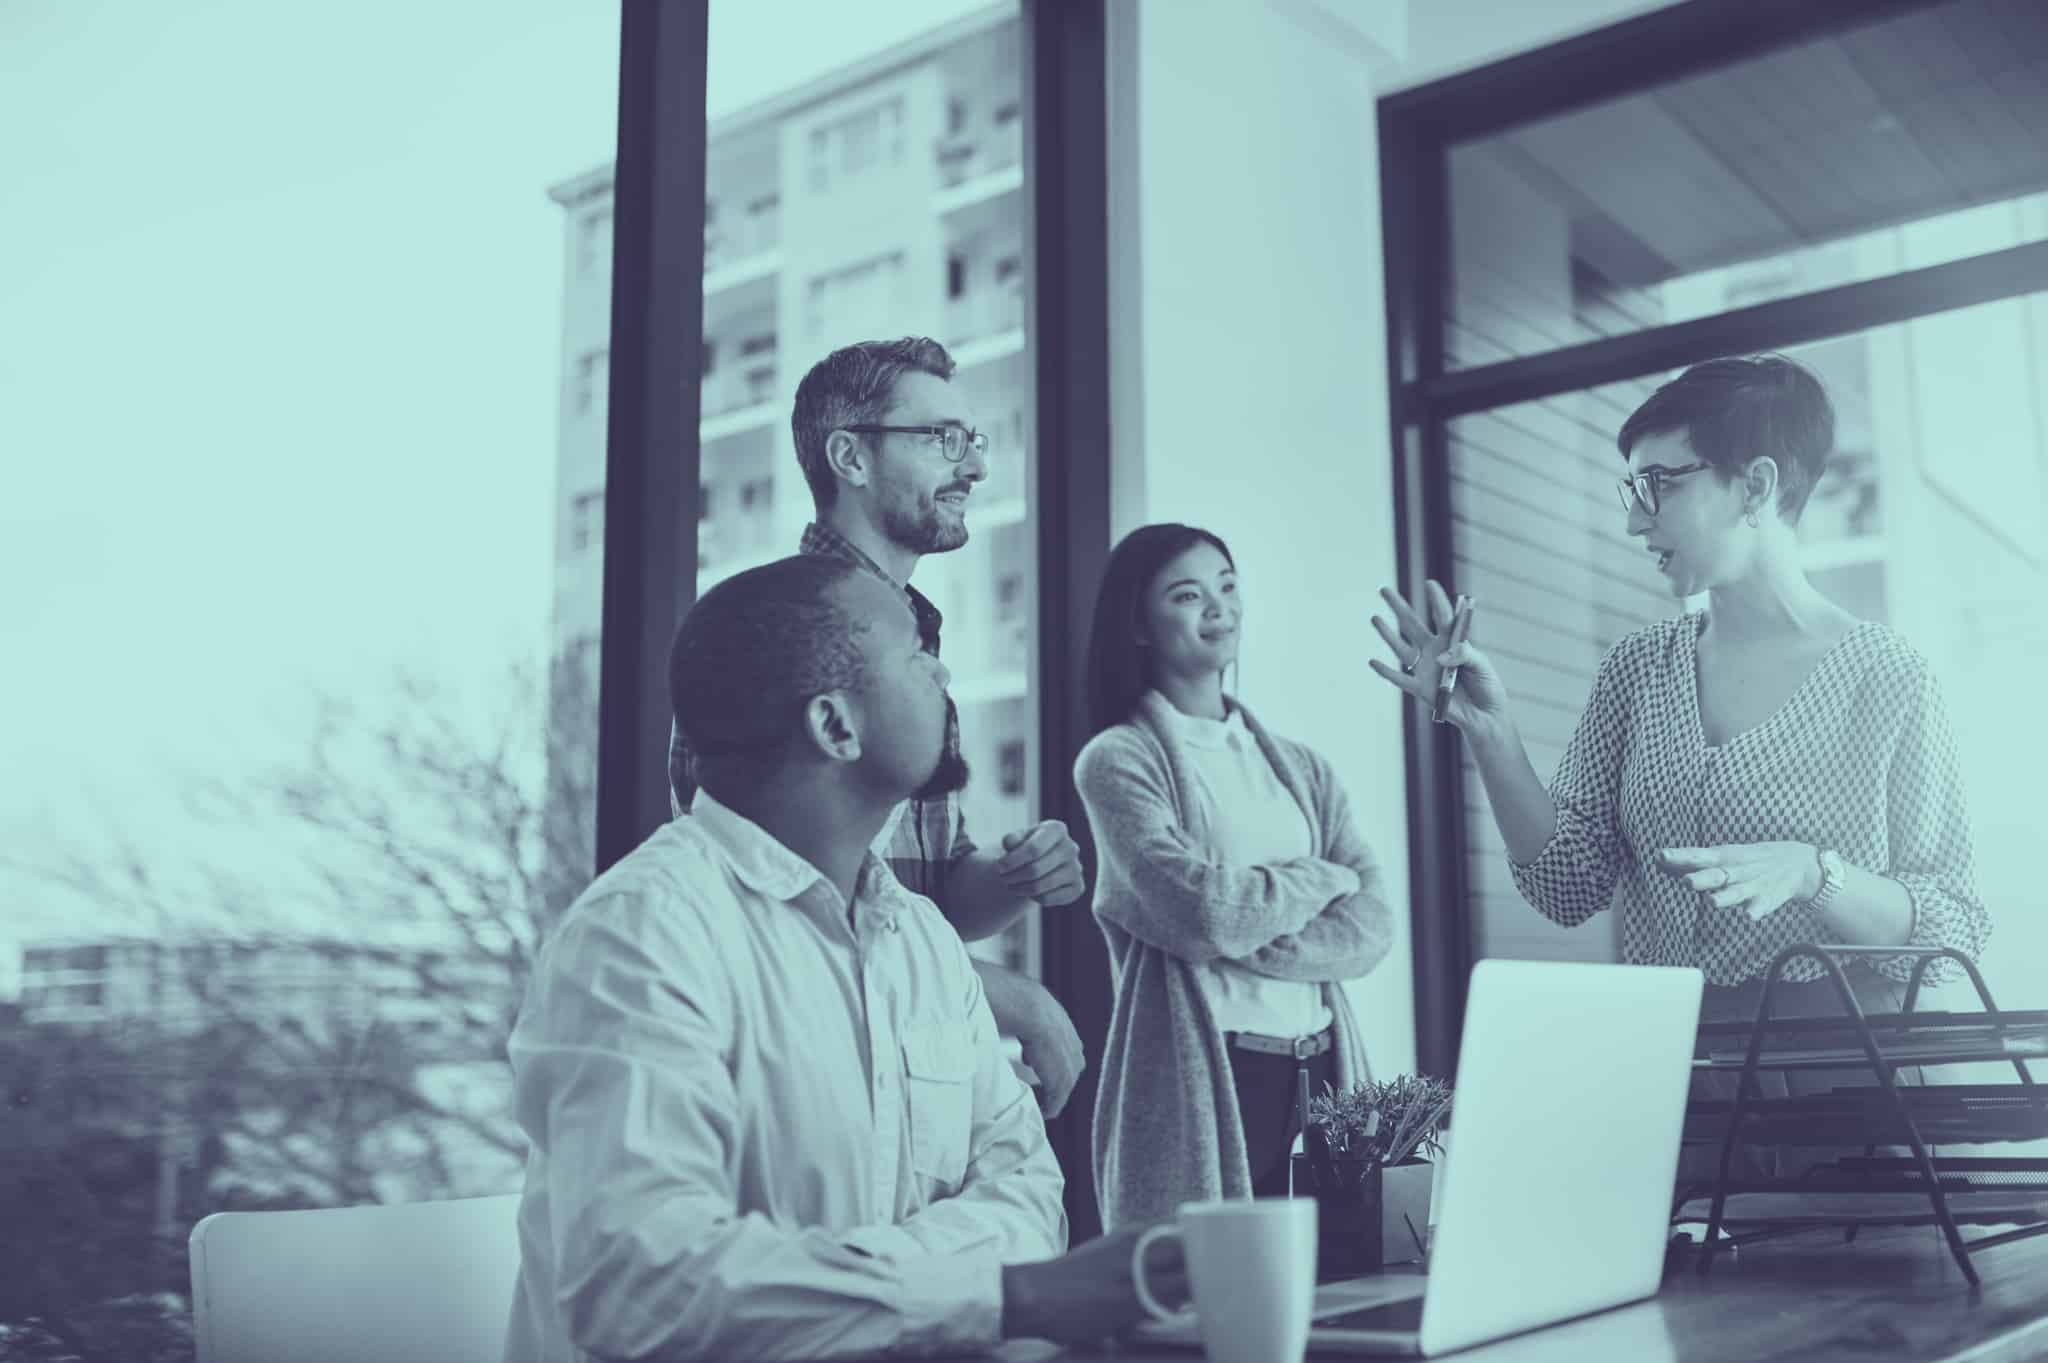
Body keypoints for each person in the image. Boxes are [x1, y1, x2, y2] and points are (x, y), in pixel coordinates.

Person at [505, 555, 1186, 1363]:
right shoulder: (640, 934)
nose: (942, 669)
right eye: (914, 654)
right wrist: (998, 1295)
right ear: (835, 725)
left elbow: (1031, 1194)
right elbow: (643, 1287)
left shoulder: (925, 940)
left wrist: (863, 1286)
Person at [1369, 355, 1989, 1136]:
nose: (1636, 521)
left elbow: (1953, 920)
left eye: (1660, 485)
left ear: (1756, 486)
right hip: (1673, 1077)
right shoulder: (1636, 669)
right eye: (1633, 490)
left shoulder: (1890, 677)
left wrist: (1813, 872)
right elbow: (1567, 884)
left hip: (1853, 1080)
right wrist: (1489, 732)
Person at [669, 336, 1091, 1118]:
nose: (974, 466)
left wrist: (1012, 877)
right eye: (943, 439)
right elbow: (775, 913)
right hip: (803, 1087)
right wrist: (1006, 995)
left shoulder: (918, 645)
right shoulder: (767, 634)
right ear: (850, 458)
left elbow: (932, 897)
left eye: (974, 439)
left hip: (902, 1069)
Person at [1073, 523, 1395, 1230]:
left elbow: (1373, 928)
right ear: (1138, 625)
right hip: (1216, 1071)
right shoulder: (1118, 760)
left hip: (1323, 1072)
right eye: (1188, 595)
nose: (1218, 607)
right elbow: (1203, 914)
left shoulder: (1303, 767)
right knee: (1212, 1312)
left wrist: (1240, 920)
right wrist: (1320, 877)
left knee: (1339, 1299)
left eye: (1226, 585)